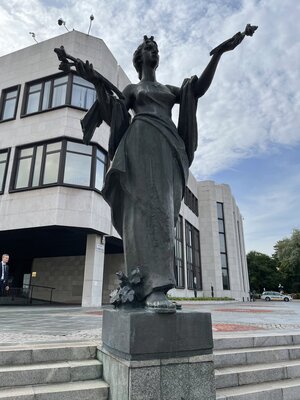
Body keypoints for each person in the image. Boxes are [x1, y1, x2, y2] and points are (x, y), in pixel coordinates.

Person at [73, 30, 253, 313]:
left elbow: (198, 90)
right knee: (145, 212)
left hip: (168, 150)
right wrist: (96, 82)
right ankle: (152, 287)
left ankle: (156, 286)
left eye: (156, 48)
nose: (154, 52)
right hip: (140, 146)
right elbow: (114, 112)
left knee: (164, 215)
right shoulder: (132, 89)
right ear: (139, 57)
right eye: (148, 48)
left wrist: (218, 54)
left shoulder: (169, 89)